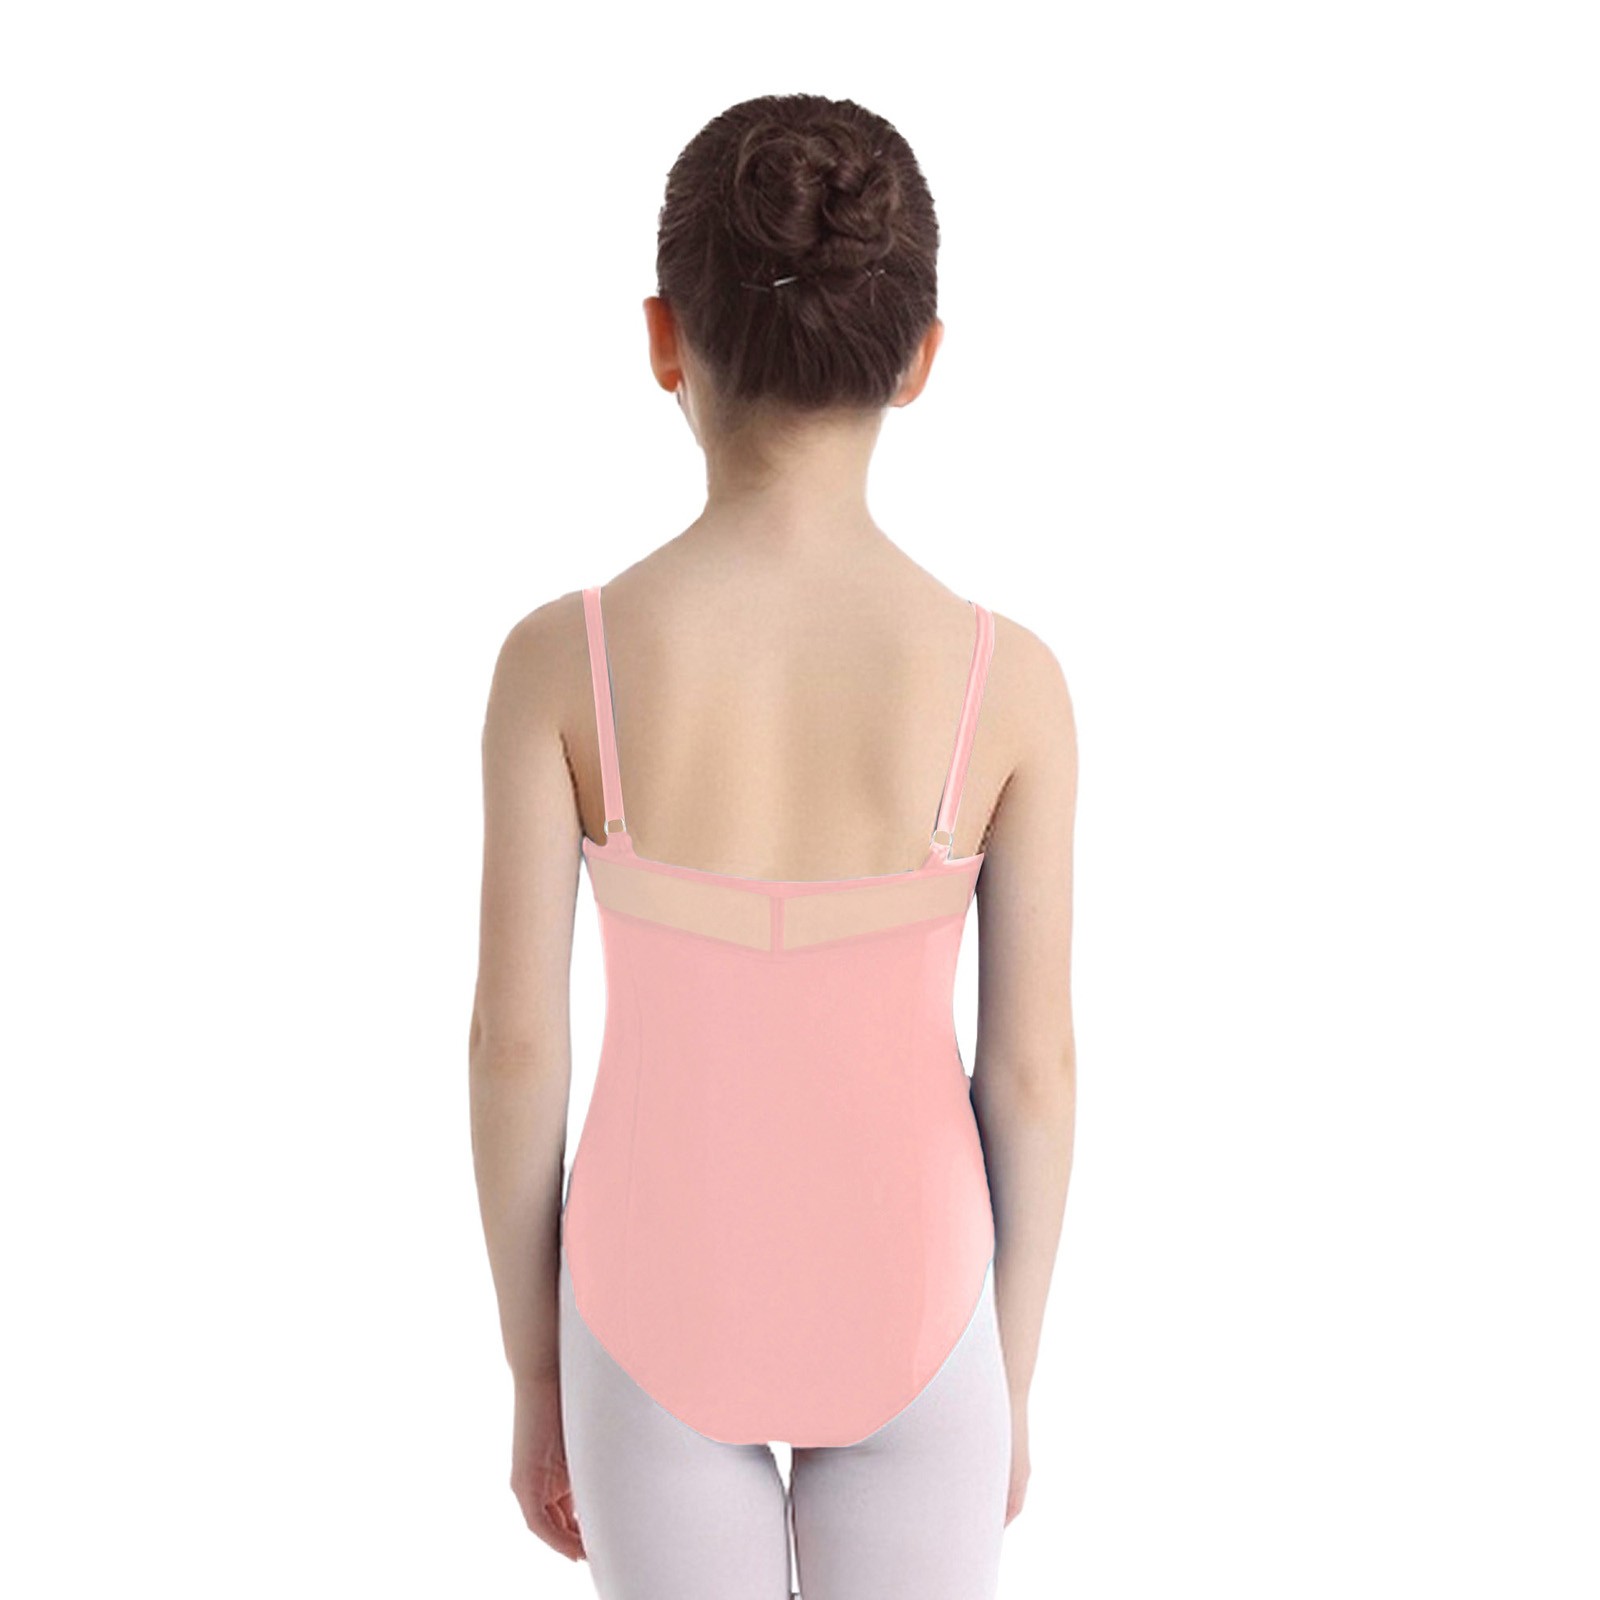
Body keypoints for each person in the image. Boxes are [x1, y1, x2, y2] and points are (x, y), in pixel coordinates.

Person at [470, 93, 1078, 1600]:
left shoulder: (562, 664)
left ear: (664, 338)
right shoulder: (1008, 683)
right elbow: (1032, 1073)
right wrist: (1007, 1369)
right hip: (920, 1297)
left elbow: (514, 1049)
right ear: (920, 358)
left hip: (646, 1295)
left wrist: (535, 1368)